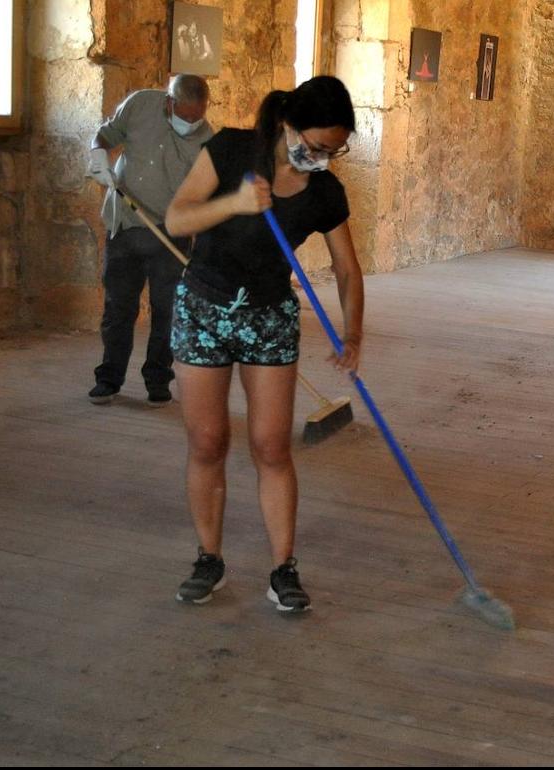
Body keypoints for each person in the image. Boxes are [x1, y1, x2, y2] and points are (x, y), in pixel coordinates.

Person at [163, 76, 363, 613]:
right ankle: (209, 559)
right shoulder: (230, 149)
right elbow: (177, 216)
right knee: (207, 442)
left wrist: (353, 332)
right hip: (204, 308)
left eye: (333, 149)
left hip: (269, 318)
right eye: (316, 146)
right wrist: (235, 203)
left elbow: (347, 267)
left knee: (272, 447)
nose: (322, 157)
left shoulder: (324, 190)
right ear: (288, 125)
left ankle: (283, 569)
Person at [87, 74, 213, 406]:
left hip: (171, 232)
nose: (191, 123)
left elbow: (202, 195)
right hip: (126, 223)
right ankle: (109, 379)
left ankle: (158, 379)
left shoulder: (205, 140)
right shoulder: (140, 104)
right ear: (169, 103)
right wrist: (98, 155)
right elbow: (105, 135)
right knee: (118, 308)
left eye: (197, 116)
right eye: (185, 116)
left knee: (167, 310)